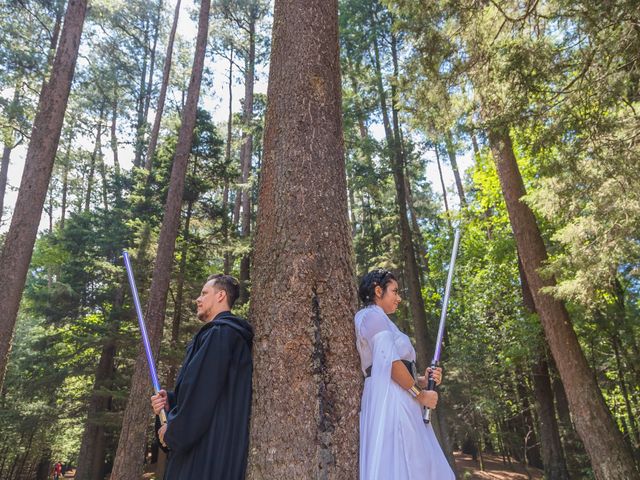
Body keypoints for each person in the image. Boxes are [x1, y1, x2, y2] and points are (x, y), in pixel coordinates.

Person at [355, 268, 455, 479]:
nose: (399, 298)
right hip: (390, 401)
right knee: (402, 461)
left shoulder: (384, 321)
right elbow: (390, 365)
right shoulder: (371, 316)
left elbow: (397, 366)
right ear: (378, 290)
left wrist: (423, 379)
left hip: (402, 396)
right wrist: (421, 395)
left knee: (417, 462)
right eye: (395, 291)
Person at [151, 274, 253, 479]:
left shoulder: (221, 334)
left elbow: (201, 392)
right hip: (211, 448)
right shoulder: (220, 335)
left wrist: (173, 433)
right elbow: (207, 390)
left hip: (207, 455)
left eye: (204, 293)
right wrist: (169, 402)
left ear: (221, 296)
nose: (198, 299)